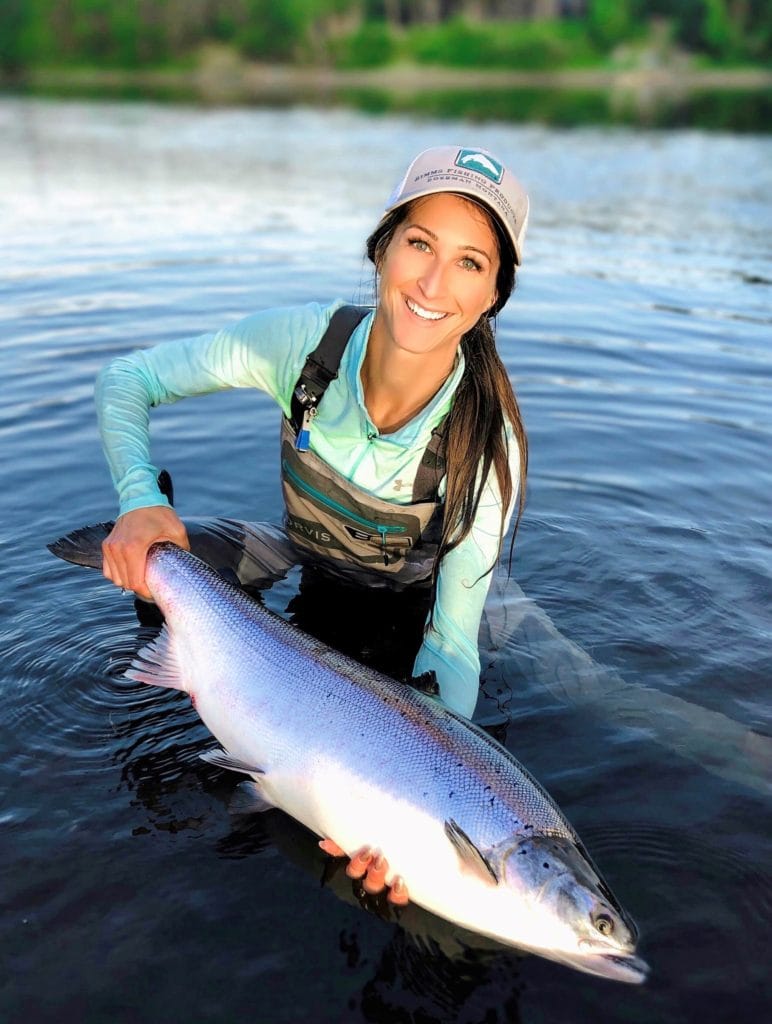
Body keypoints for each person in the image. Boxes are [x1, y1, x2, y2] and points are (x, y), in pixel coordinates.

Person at [96, 145, 530, 902]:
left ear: (494, 293)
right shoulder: (304, 344)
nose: (432, 284)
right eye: (419, 244)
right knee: (166, 559)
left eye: (470, 263)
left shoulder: (489, 448)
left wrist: (424, 801)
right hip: (307, 555)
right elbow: (127, 379)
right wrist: (139, 499)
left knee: (597, 686)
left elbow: (453, 646)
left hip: (428, 604)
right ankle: (177, 642)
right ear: (382, 247)